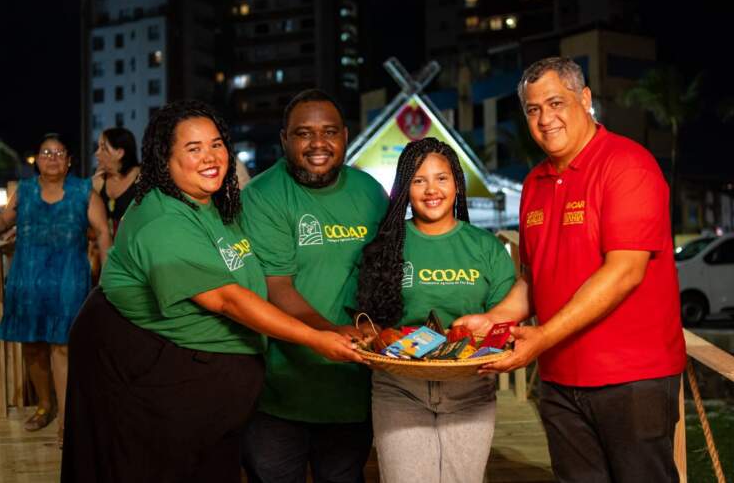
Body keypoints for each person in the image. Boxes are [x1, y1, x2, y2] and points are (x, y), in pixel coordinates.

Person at [61, 100, 363, 483]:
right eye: (194, 148)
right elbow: (226, 298)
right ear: (164, 158)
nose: (210, 156)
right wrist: (315, 339)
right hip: (141, 377)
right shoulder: (162, 219)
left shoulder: (211, 202)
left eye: (216, 144)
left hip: (207, 397)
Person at [454, 57, 686, 483]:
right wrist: (492, 320)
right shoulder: (534, 183)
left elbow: (625, 271)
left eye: (556, 103)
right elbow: (533, 279)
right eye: (533, 109)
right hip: (559, 379)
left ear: (585, 99)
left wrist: (541, 337)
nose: (546, 119)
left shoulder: (627, 164)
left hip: (631, 377)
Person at [240, 89, 388, 483]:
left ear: (345, 136)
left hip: (351, 390)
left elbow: (385, 274)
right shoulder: (262, 196)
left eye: (329, 132)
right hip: (279, 391)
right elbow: (276, 286)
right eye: (304, 133)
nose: (318, 144)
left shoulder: (371, 192)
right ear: (284, 139)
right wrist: (332, 333)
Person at [355, 137, 516, 483]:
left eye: (441, 178)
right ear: (405, 189)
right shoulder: (385, 246)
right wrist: (369, 335)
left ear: (457, 183)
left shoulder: (486, 247)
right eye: (419, 180)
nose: (432, 190)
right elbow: (368, 321)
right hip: (399, 388)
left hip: (470, 389)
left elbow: (504, 321)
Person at [0, 133, 111, 448]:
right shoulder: (25, 191)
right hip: (26, 281)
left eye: (59, 153)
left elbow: (103, 233)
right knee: (33, 347)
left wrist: (108, 277)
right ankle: (44, 405)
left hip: (68, 282)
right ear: (37, 159)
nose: (52, 158)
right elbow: (4, 221)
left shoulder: (83, 192)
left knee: (63, 349)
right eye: (46, 152)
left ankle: (66, 420)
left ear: (69, 160)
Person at [93, 126, 141, 236]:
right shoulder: (98, 181)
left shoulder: (142, 179)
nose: (97, 153)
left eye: (103, 148)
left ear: (119, 153)